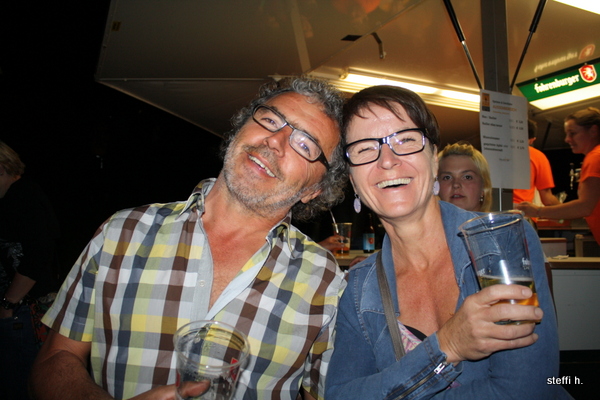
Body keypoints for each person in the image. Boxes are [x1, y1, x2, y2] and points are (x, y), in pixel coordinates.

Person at [29, 77, 348, 400]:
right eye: (270, 120)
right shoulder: (123, 232)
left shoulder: (325, 282)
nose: (275, 141)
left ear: (314, 190)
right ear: (240, 128)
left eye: (304, 145)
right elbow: (56, 357)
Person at [325, 85, 570, 399]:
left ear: (433, 160)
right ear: (352, 179)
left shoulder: (503, 242)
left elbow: (527, 389)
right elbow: (340, 395)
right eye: (364, 149)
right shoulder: (358, 288)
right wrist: (446, 346)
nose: (387, 161)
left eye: (406, 140)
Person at [0, 140, 60, 400]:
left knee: (22, 384)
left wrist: (8, 304)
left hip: (24, 311)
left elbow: (39, 255)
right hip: (18, 310)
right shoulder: (8, 197)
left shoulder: (24, 194)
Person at [517, 107, 600, 245]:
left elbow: (584, 206)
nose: (567, 139)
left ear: (593, 131)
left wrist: (537, 211)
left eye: (573, 133)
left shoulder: (595, 158)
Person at [513, 119, 560, 208]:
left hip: (489, 209)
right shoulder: (536, 156)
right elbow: (548, 200)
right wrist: (567, 212)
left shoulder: (492, 152)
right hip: (520, 210)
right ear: (532, 140)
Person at [437, 141, 492, 212]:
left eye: (467, 177)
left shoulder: (502, 219)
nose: (456, 184)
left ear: (483, 187)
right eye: (447, 177)